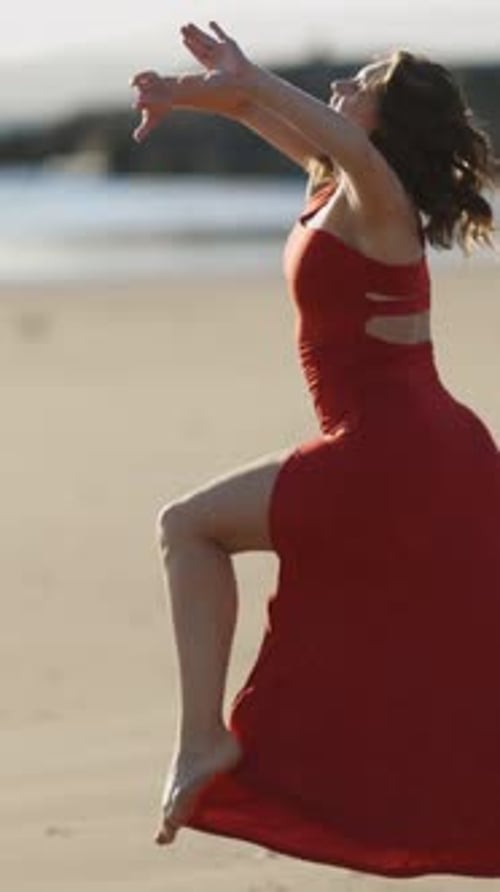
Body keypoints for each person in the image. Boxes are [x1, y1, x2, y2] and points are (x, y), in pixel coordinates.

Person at [130, 22, 500, 878]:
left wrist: (249, 72)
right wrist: (190, 94)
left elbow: (307, 119)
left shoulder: (378, 190)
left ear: (385, 119)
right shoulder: (338, 179)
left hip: (394, 451)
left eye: (362, 80)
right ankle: (205, 745)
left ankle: (201, 746)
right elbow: (268, 114)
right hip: (406, 443)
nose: (342, 84)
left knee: (188, 527)